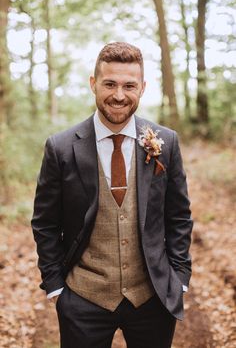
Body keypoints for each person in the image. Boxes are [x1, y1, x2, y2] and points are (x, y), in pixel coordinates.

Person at [31, 42, 193, 348]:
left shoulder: (165, 142)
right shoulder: (61, 147)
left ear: (142, 88)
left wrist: (180, 278)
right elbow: (45, 223)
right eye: (110, 84)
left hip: (153, 298)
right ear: (94, 84)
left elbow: (179, 216)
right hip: (83, 299)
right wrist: (55, 288)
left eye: (129, 85)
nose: (119, 95)